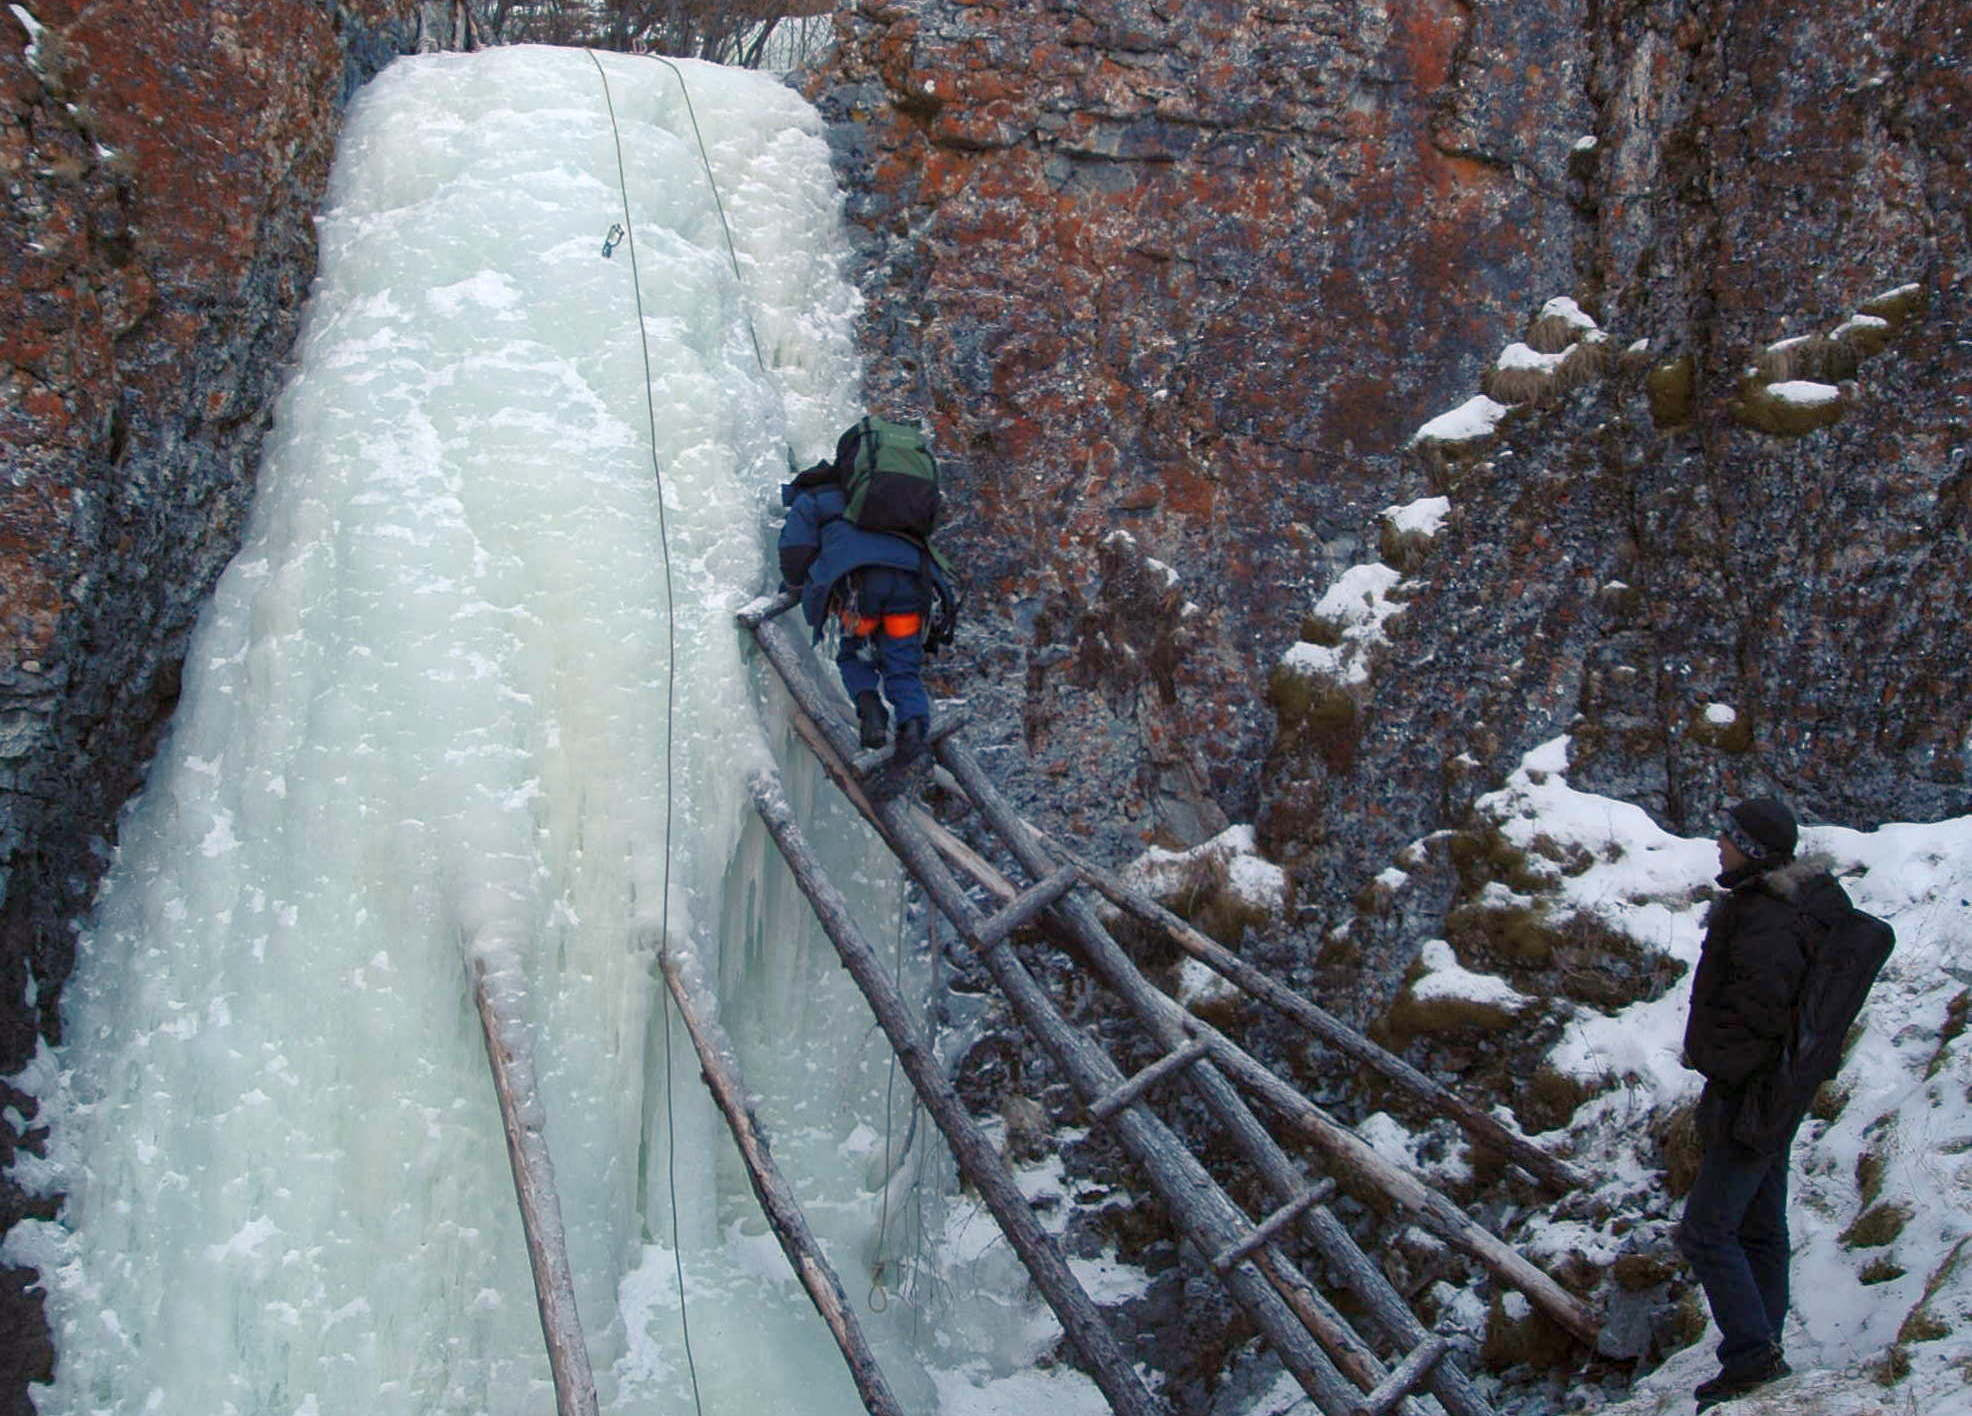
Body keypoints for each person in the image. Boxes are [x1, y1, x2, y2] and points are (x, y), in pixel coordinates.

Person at [1676, 796, 1848, 1411]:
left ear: (1751, 848)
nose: (1717, 846)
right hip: (1772, 1094)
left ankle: (1752, 1357)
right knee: (1758, 1228)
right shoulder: (1775, 905)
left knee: (1704, 1231)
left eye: (1726, 837)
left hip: (1751, 1097)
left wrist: (1714, 1062)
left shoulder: (1767, 919)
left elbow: (1761, 1013)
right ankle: (1764, 1348)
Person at [776, 422, 953, 767]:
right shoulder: (900, 503)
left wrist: (797, 585)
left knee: (855, 653)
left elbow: (796, 549)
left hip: (860, 590)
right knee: (902, 665)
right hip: (910, 587)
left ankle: (871, 712)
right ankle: (914, 730)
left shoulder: (819, 495)